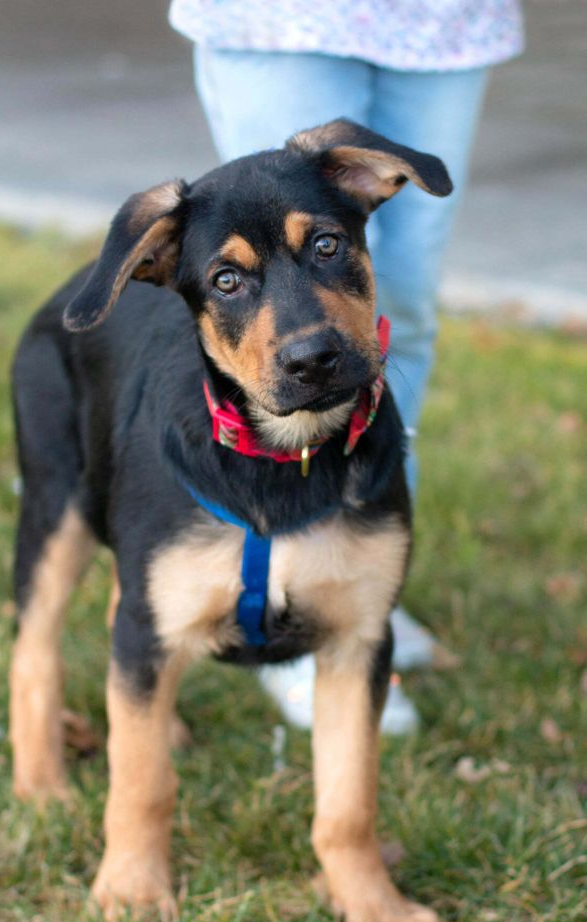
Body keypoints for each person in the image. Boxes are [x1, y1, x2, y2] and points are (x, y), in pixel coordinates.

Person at [168, 0, 524, 731]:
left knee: (403, 310)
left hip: (441, 20)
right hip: (287, 16)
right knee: (270, 308)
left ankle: (356, 579)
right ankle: (280, 605)